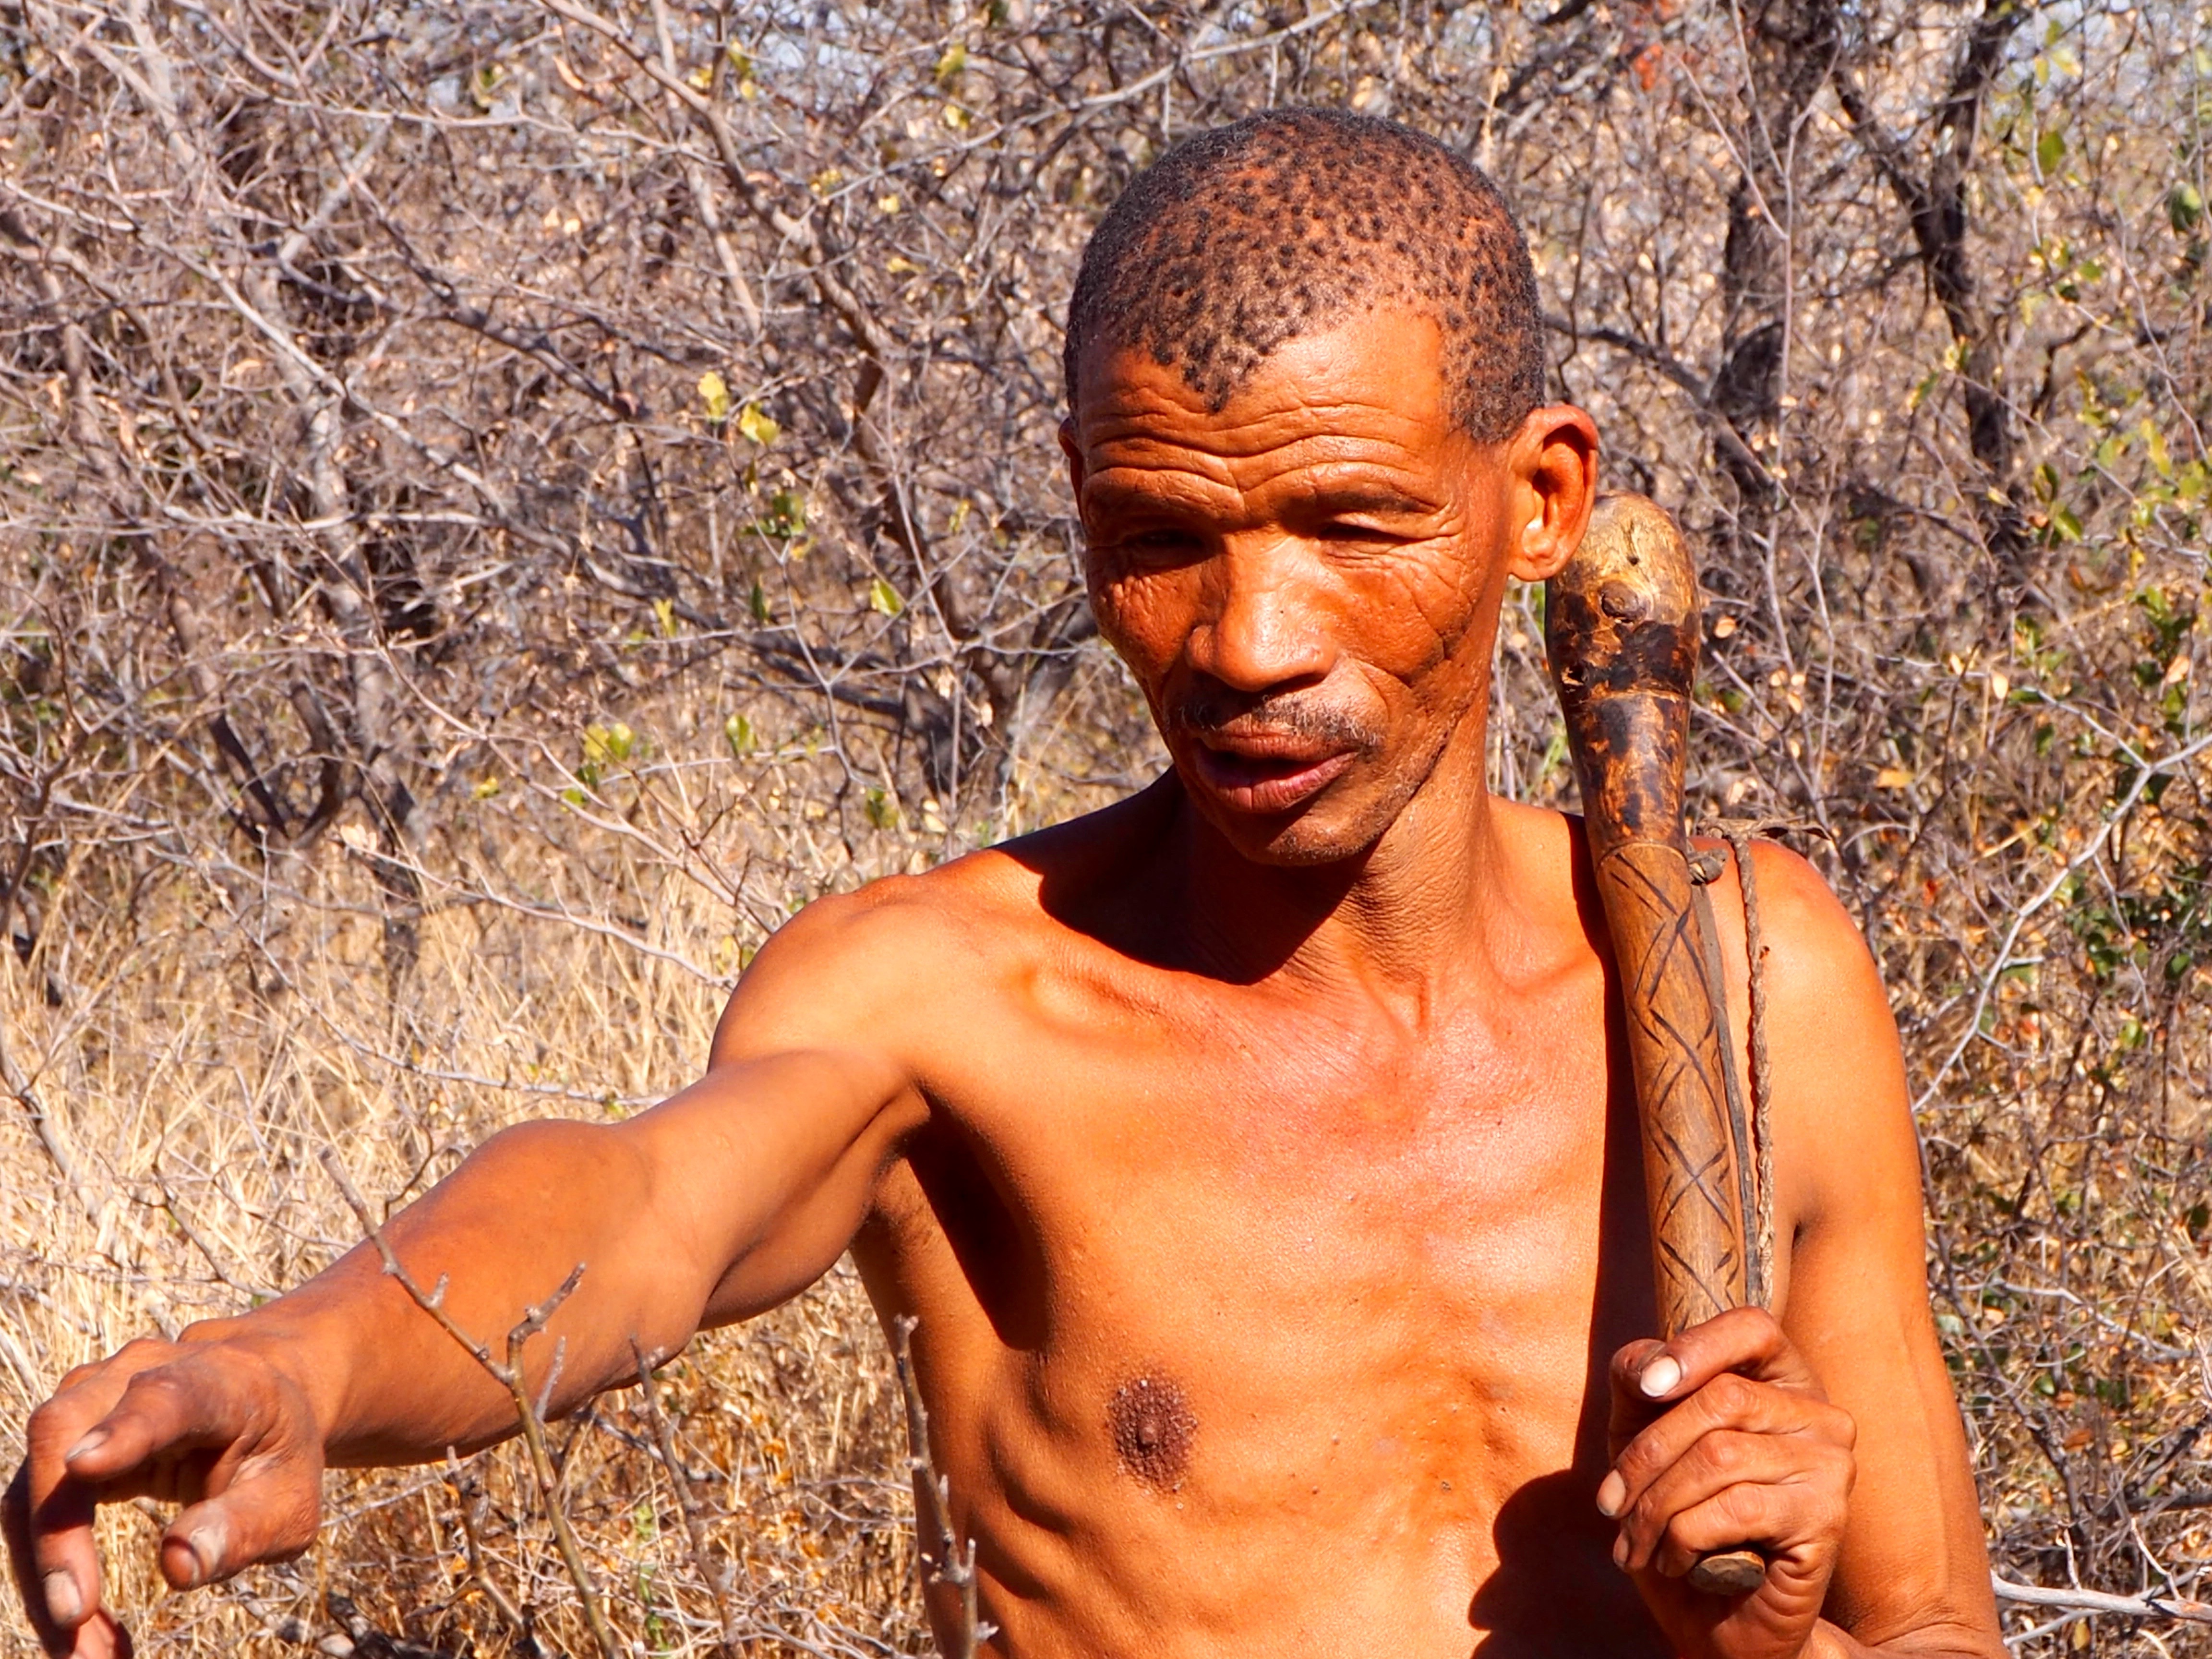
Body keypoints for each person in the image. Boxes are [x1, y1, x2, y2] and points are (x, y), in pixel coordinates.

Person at [6, 109, 2004, 1659]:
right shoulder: (952, 1010)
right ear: (1075, 498)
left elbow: (1927, 1628)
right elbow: (636, 1212)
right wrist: (300, 1363)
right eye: (1159, 536)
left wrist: (1766, 1638)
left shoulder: (1758, 988)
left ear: (1542, 501)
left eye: (1353, 523)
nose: (1246, 638)